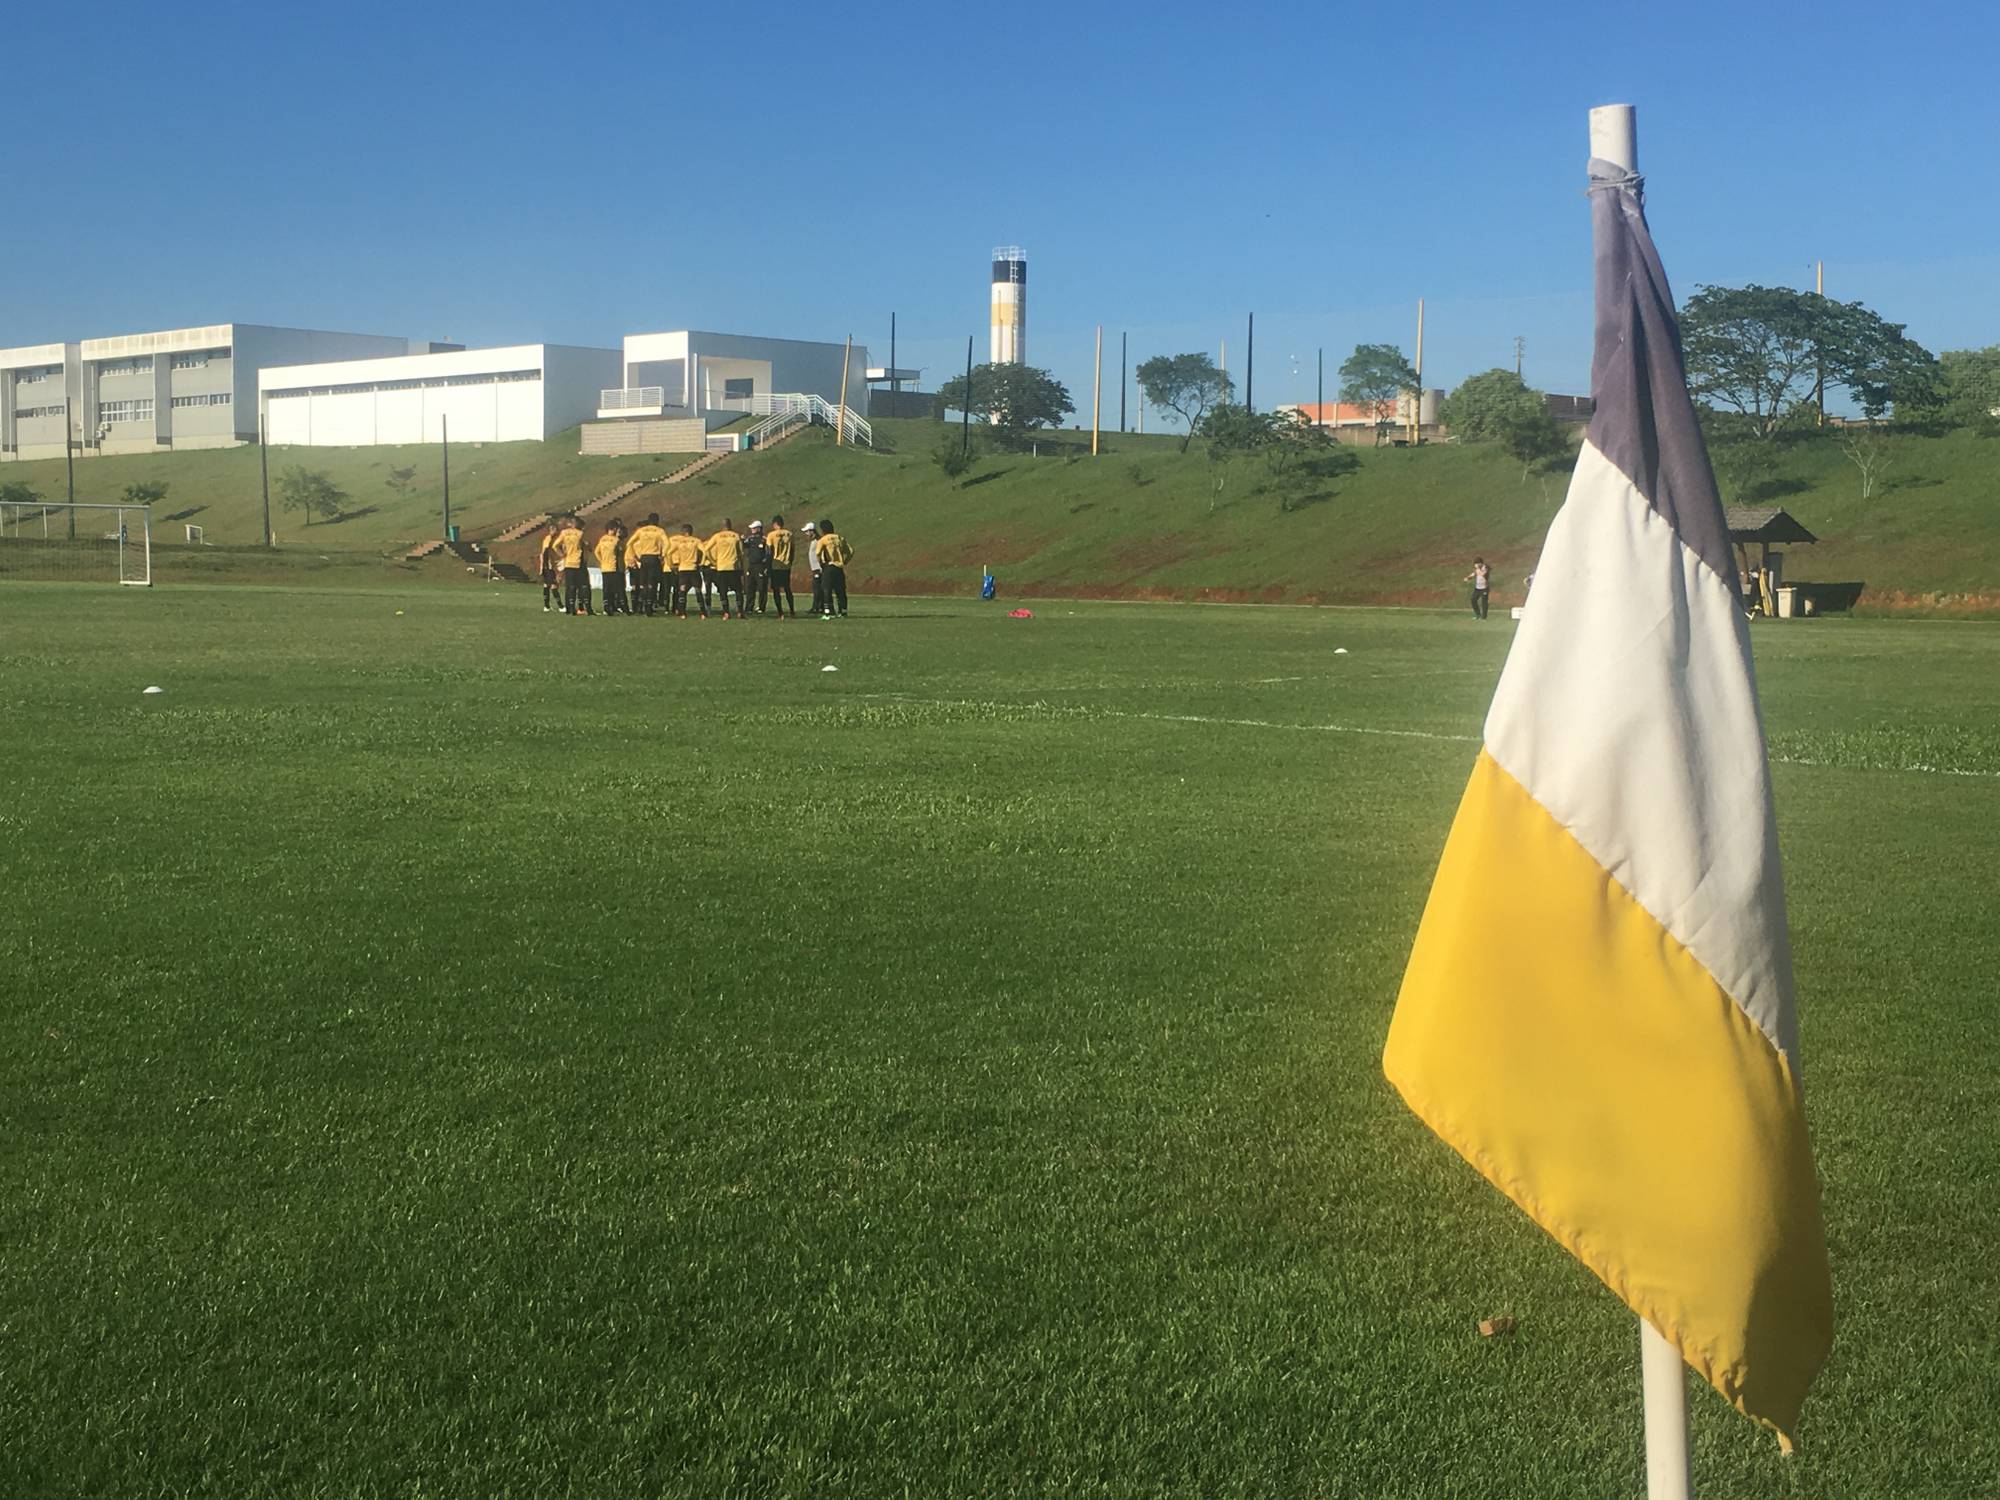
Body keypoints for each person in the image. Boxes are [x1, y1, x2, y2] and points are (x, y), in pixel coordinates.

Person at [625, 512, 669, 615]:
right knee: (652, 583)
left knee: (643, 583)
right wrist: (663, 554)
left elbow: (629, 543)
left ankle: (641, 605)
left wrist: (634, 555)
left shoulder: (641, 530)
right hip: (654, 558)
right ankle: (649, 606)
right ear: (657, 521)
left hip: (644, 558)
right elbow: (667, 543)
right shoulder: (659, 531)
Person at [706, 518, 746, 619]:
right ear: (730, 525)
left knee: (723, 591)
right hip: (733, 567)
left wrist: (713, 560)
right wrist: (741, 566)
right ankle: (740, 612)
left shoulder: (717, 536)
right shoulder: (736, 536)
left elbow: (706, 549)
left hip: (721, 567)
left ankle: (726, 613)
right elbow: (741, 553)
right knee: (738, 590)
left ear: (722, 526)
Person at [665, 522, 705, 618]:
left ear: (683, 532)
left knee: (682, 591)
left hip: (683, 569)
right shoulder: (696, 541)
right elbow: (704, 551)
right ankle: (703, 613)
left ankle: (682, 613)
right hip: (693, 568)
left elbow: (668, 553)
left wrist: (671, 565)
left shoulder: (680, 542)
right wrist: (701, 563)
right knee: (698, 590)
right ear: (691, 531)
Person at [814, 518, 852, 618]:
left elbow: (818, 553)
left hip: (829, 566)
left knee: (826, 589)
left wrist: (821, 563)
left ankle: (828, 612)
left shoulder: (823, 540)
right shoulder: (839, 538)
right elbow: (850, 551)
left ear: (822, 530)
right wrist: (845, 561)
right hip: (839, 567)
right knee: (840, 590)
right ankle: (843, 611)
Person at [556, 514, 591, 615]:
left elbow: (555, 546)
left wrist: (562, 555)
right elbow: (587, 546)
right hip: (578, 562)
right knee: (583, 586)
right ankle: (584, 608)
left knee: (570, 587)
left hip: (568, 563)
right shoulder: (580, 533)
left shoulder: (564, 533)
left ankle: (570, 608)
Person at [765, 513, 796, 619]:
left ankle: (780, 612)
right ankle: (792, 610)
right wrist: (790, 562)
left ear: (775, 524)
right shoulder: (789, 534)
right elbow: (792, 550)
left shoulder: (771, 535)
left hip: (775, 565)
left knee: (776, 590)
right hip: (786, 565)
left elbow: (769, 552)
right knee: (787, 589)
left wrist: (768, 567)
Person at [594, 521, 627, 616]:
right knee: (615, 588)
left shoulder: (602, 539)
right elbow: (621, 551)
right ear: (613, 529)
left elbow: (596, 552)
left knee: (606, 589)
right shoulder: (615, 540)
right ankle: (615, 607)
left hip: (604, 568)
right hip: (614, 567)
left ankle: (606, 608)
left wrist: (602, 561)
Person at [742, 520, 771, 615]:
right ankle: (749, 606)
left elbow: (768, 554)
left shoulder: (764, 539)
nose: (752, 530)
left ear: (759, 529)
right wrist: (742, 540)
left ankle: (761, 607)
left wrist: (766, 566)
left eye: (754, 528)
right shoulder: (750, 539)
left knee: (762, 587)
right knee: (750, 587)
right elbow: (744, 545)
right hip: (751, 566)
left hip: (761, 566)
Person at [537, 521, 561, 613]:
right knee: (553, 585)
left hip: (546, 565)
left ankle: (546, 606)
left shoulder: (547, 539)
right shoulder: (550, 539)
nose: (556, 531)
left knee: (546, 585)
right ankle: (561, 606)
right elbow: (545, 553)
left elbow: (543, 553)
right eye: (555, 530)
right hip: (549, 566)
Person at [802, 521, 823, 616]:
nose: (806, 534)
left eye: (807, 532)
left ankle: (817, 607)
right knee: (817, 588)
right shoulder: (814, 541)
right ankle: (818, 606)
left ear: (811, 531)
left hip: (818, 568)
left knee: (817, 588)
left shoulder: (818, 541)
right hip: (815, 568)